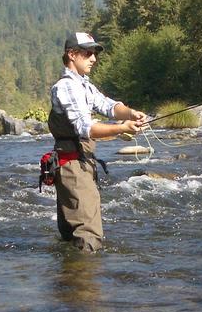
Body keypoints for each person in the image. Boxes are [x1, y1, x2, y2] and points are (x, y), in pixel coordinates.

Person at [49, 32, 146, 251]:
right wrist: (122, 128)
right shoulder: (68, 87)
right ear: (72, 55)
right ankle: (85, 284)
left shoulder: (84, 85)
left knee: (73, 237)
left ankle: (71, 280)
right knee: (88, 237)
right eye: (88, 53)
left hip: (80, 165)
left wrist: (130, 113)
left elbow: (108, 106)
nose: (94, 58)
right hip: (73, 168)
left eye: (94, 53)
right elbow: (86, 128)